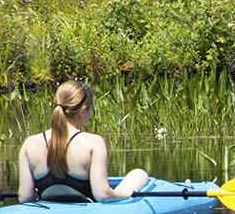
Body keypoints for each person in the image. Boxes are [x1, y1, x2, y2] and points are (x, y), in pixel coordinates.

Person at [18, 80, 148, 203]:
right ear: (84, 110)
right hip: (85, 212)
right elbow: (102, 194)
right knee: (139, 174)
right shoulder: (94, 142)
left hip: (47, 209)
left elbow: (25, 198)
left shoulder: (29, 143)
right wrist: (126, 192)